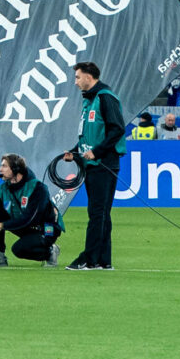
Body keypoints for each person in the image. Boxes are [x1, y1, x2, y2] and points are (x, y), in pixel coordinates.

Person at [67, 61, 127, 271]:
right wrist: (74, 152)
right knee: (101, 213)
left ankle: (89, 259)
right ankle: (103, 260)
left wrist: (97, 152)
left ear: (88, 77)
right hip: (93, 163)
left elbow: (117, 129)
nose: (75, 82)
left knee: (97, 213)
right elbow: (90, 135)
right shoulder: (90, 100)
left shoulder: (105, 98)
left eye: (77, 77)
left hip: (104, 163)